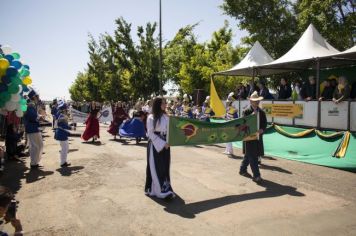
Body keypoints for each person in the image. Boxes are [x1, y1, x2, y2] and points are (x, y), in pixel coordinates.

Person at [145, 97, 175, 199]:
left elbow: (170, 130)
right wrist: (162, 143)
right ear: (157, 105)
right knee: (155, 167)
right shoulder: (151, 117)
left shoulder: (167, 116)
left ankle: (166, 188)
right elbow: (150, 133)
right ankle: (158, 191)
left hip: (166, 144)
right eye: (162, 103)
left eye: (165, 103)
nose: (165, 105)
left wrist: (170, 141)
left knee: (165, 167)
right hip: (155, 145)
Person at [239, 91, 267, 183]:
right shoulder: (246, 112)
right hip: (249, 137)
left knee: (249, 154)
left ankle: (242, 170)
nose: (256, 102)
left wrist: (262, 130)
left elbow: (264, 124)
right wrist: (251, 116)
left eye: (257, 101)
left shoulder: (262, 112)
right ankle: (256, 176)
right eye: (254, 101)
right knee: (253, 156)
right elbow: (242, 124)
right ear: (250, 101)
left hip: (258, 137)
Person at [23, 90, 44, 170]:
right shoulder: (30, 105)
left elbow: (34, 115)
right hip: (32, 128)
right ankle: (33, 163)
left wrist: (39, 116)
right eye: (37, 96)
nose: (38, 97)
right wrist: (39, 117)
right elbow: (32, 116)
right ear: (34, 97)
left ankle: (35, 162)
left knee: (39, 145)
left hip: (34, 127)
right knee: (35, 146)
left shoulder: (32, 104)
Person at [54, 103, 73, 167]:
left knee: (65, 148)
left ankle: (63, 161)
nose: (67, 110)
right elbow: (63, 125)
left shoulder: (62, 115)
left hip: (62, 133)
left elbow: (64, 124)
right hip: (62, 134)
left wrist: (69, 126)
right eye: (66, 109)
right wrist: (70, 127)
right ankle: (62, 162)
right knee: (64, 149)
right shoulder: (62, 116)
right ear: (64, 109)